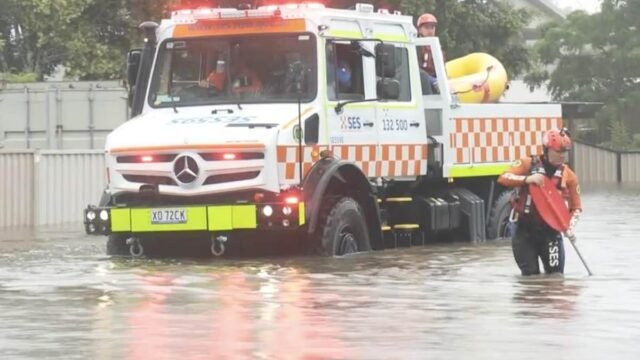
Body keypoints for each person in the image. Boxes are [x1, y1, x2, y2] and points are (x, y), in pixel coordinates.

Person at [497, 128, 583, 276]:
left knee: (556, 276)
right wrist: (527, 179)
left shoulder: (570, 176)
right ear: (546, 150)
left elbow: (576, 208)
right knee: (531, 275)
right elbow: (504, 178)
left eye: (564, 153)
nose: (561, 157)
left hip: (551, 232)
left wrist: (569, 227)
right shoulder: (527, 164)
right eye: (558, 152)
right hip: (524, 231)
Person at [416, 13, 441, 93]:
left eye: (432, 27)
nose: (430, 31)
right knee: (423, 76)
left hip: (436, 82)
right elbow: (414, 69)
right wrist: (432, 80)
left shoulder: (437, 48)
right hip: (421, 84)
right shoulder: (417, 46)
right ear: (420, 29)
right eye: (427, 27)